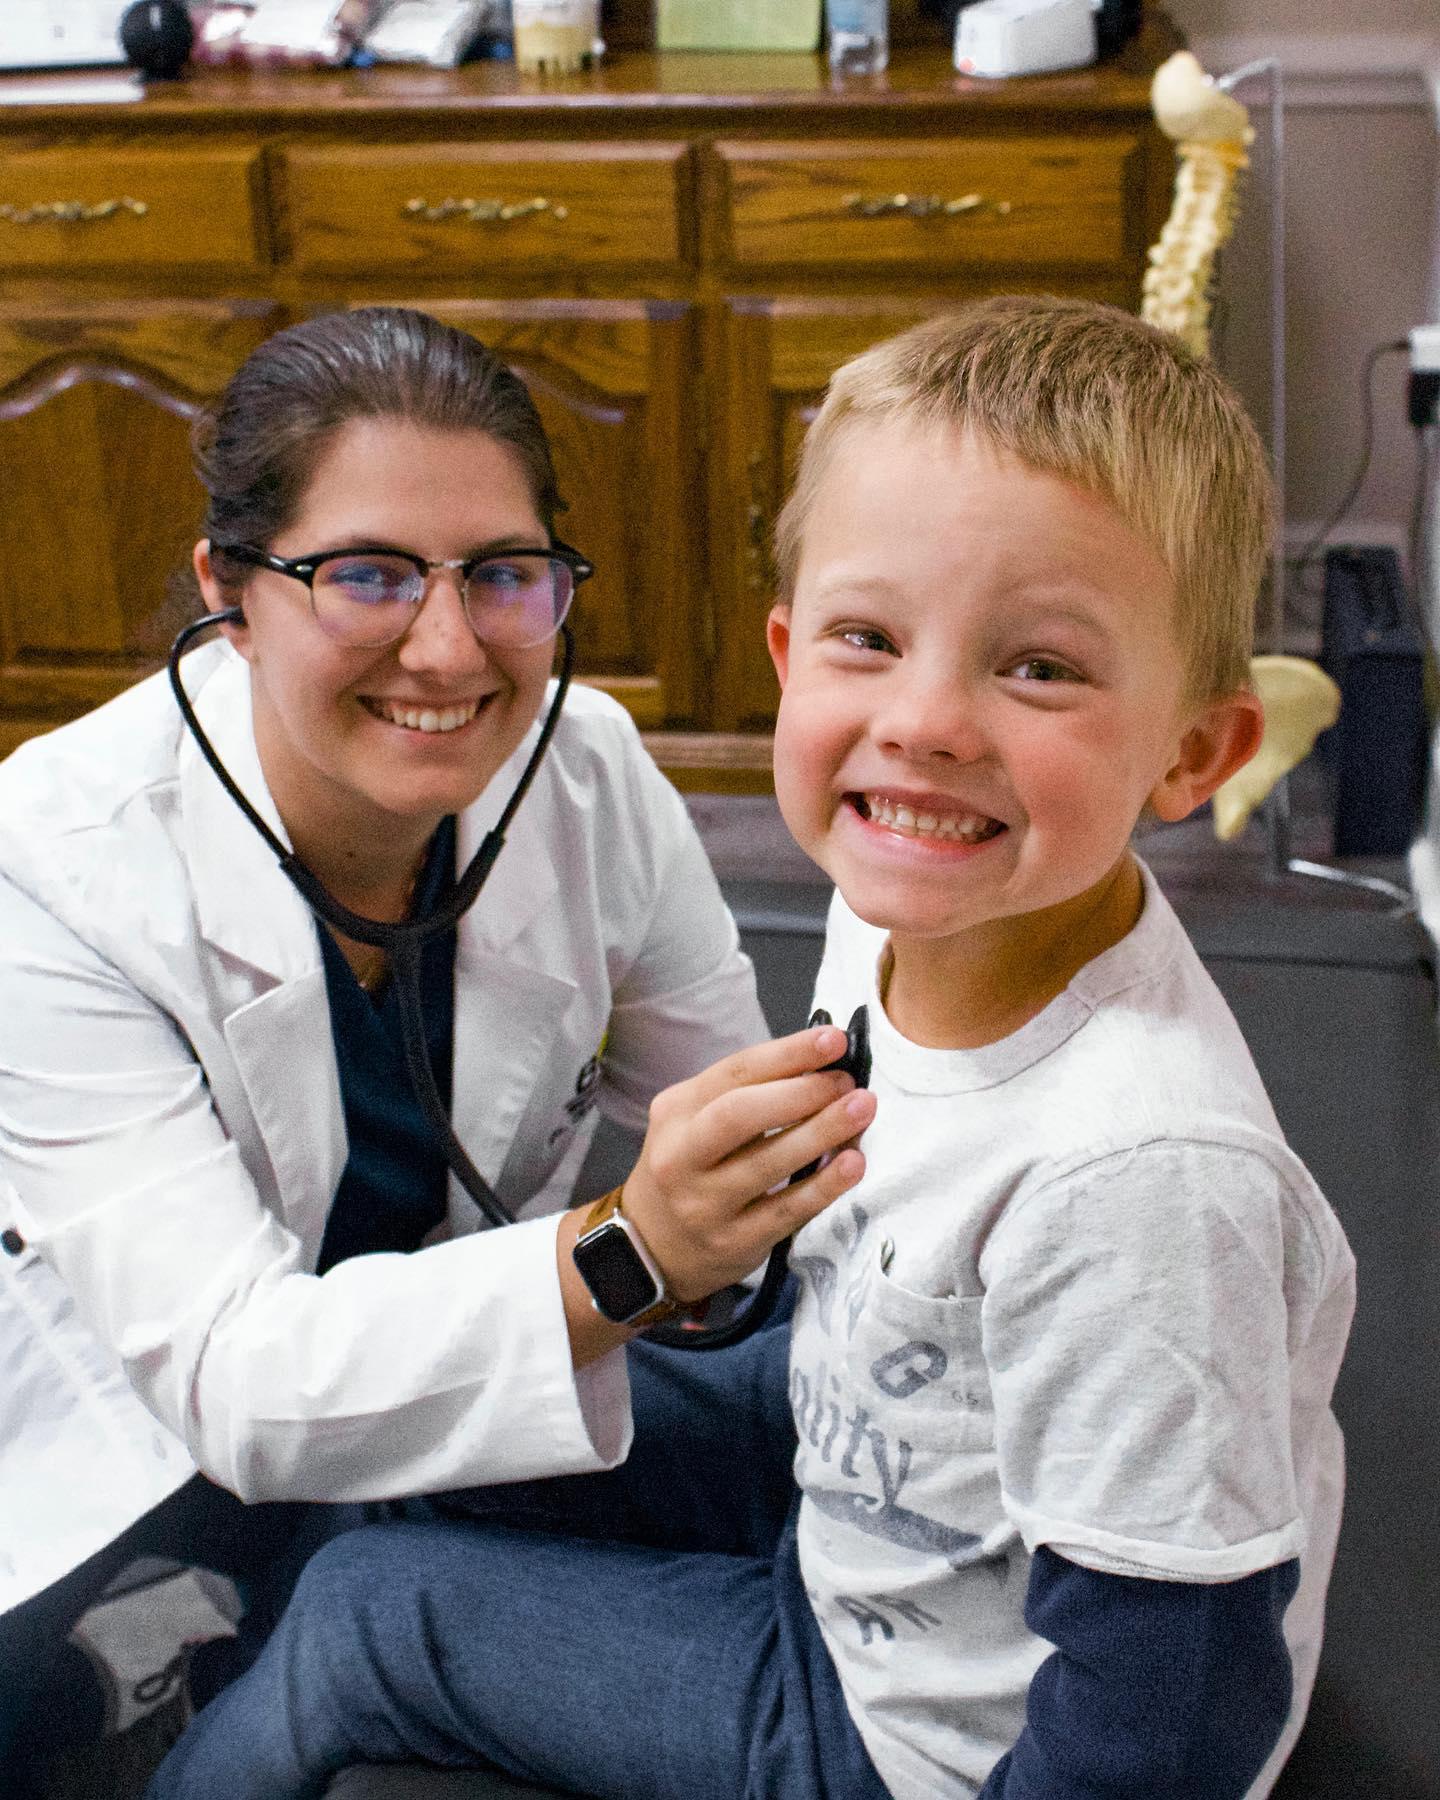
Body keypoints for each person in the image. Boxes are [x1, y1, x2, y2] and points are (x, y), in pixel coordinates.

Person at [146, 296, 1356, 1800]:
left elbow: (1171, 1719)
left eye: (1040, 668)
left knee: (365, 1616)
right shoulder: (902, 896)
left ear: (1192, 753)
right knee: (411, 1456)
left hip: (916, 1731)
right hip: (875, 1477)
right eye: (868, 639)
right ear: (791, 655)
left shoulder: (1141, 1183)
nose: (924, 723)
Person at [0, 306, 876, 1793]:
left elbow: (745, 1128)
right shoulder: (59, 861)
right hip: (133, 1410)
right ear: (230, 591)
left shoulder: (587, 774)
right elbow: (236, 1378)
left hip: (423, 1379)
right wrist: (636, 1251)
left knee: (366, 1593)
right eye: (367, 575)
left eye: (504, 575)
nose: (450, 647)